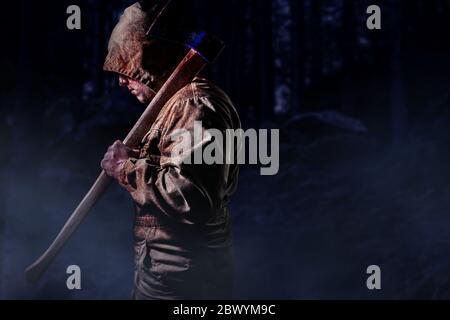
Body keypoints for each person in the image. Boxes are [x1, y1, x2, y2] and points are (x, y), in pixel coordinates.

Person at [100, 1, 241, 299]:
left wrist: (127, 169)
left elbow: (193, 197)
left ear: (154, 58)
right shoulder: (173, 106)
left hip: (187, 286)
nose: (122, 80)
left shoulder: (195, 105)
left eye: (129, 65)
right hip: (162, 276)